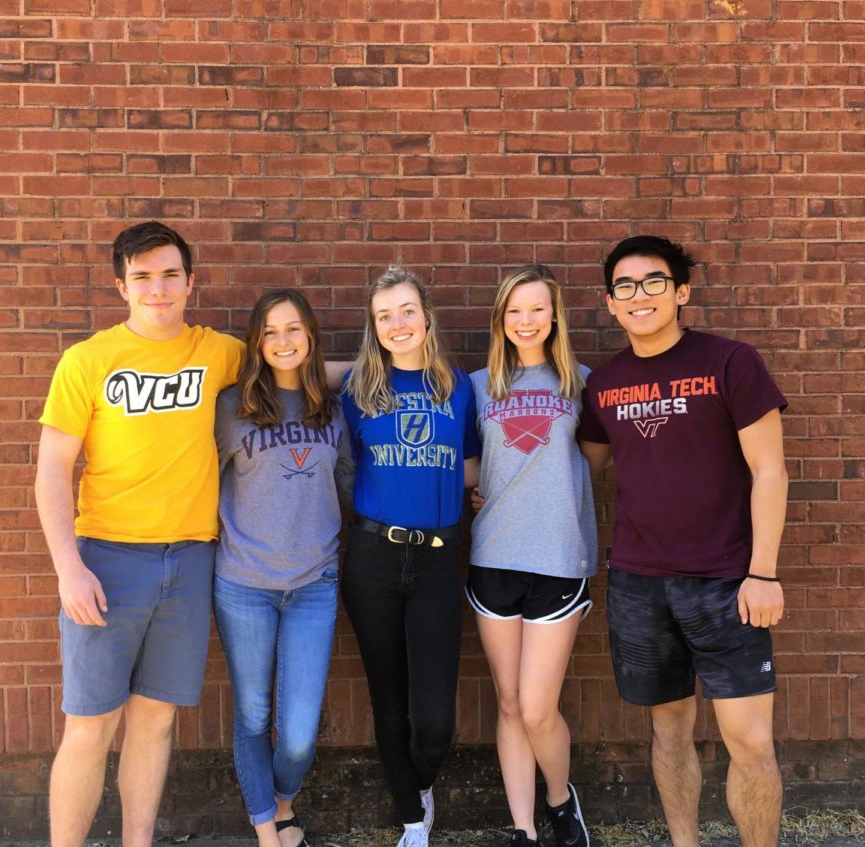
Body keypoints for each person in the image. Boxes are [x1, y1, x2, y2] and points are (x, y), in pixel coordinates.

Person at [34, 221, 243, 847]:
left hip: (191, 562)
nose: (158, 289)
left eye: (170, 275)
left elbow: (300, 360)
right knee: (91, 724)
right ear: (120, 286)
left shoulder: (219, 352)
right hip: (106, 562)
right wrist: (68, 567)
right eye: (143, 277)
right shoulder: (88, 361)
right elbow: (51, 470)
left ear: (190, 282)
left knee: (154, 724)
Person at [578, 236, 788, 847]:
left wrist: (764, 571)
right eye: (625, 287)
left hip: (728, 581)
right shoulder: (605, 383)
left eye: (652, 283)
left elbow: (770, 469)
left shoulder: (730, 362)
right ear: (610, 303)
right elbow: (580, 472)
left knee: (749, 740)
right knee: (668, 731)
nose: (638, 296)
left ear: (681, 292)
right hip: (638, 583)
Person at [340, 267, 480, 847]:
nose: (397, 324)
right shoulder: (356, 390)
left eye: (405, 311)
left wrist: (480, 488)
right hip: (373, 556)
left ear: (426, 317)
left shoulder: (459, 386)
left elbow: (471, 460)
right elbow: (344, 464)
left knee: (434, 721)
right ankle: (412, 820)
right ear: (374, 328)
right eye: (384, 316)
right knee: (388, 699)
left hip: (438, 562)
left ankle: (420, 781)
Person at [213, 289, 355, 847]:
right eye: (270, 332)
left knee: (297, 733)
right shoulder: (231, 407)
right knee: (252, 714)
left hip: (314, 584)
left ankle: (284, 803)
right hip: (243, 583)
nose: (282, 341)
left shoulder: (333, 409)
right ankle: (269, 830)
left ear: (311, 336)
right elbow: (198, 480)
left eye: (293, 329)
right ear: (256, 342)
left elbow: (346, 484)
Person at [468, 264, 597, 847]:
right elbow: (472, 467)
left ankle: (558, 798)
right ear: (501, 318)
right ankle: (522, 829)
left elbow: (592, 466)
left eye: (537, 309)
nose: (526, 320)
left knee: (540, 707)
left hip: (558, 558)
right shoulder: (476, 386)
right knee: (511, 701)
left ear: (554, 315)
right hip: (494, 555)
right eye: (515, 310)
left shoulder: (582, 383)